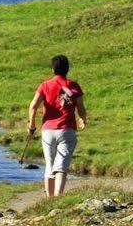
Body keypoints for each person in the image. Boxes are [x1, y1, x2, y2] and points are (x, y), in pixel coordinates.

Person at [25, 54, 88, 199]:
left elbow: (33, 106)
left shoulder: (45, 85)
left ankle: (49, 199)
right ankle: (58, 197)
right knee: (61, 167)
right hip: (67, 129)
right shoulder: (73, 85)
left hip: (48, 130)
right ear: (67, 69)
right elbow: (81, 107)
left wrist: (32, 124)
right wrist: (83, 119)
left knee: (49, 164)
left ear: (53, 69)